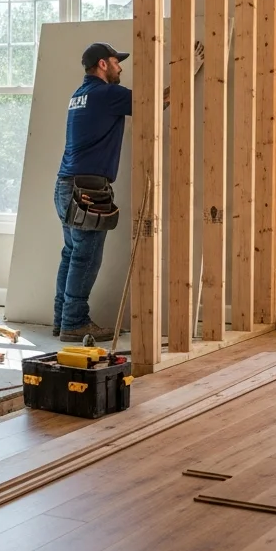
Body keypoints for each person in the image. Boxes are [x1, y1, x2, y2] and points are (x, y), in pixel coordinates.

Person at [53, 40, 202, 343]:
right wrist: (190, 70)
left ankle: (62, 320)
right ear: (103, 65)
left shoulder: (79, 95)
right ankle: (74, 322)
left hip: (66, 186)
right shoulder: (107, 93)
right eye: (116, 61)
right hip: (86, 190)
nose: (121, 67)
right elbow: (156, 103)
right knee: (85, 258)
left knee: (72, 254)